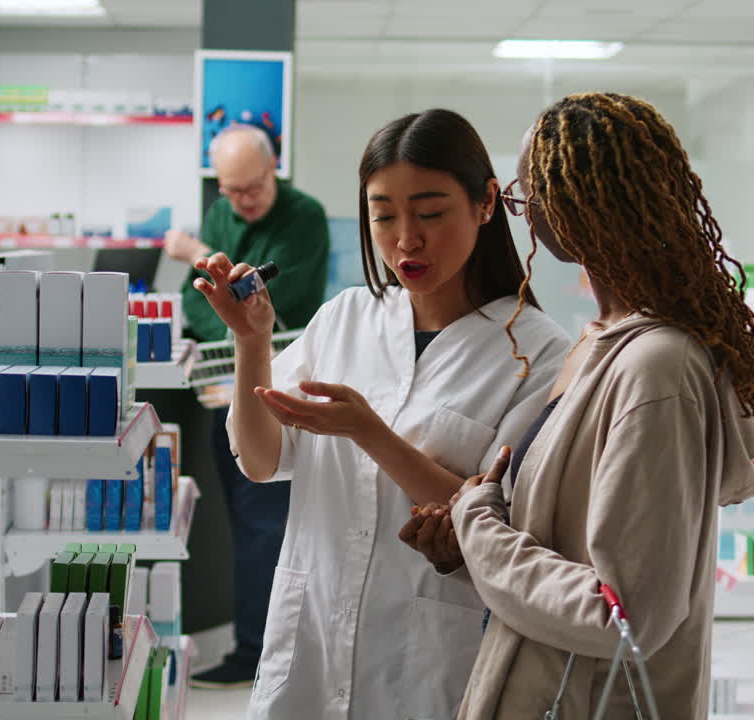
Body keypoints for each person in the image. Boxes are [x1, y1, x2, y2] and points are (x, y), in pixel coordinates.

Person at [400, 92, 754, 719]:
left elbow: (621, 614)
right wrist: (466, 553)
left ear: (581, 202)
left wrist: (479, 525)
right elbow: (559, 548)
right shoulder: (597, 343)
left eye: (528, 193)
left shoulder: (657, 370)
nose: (518, 212)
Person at [191, 109, 569, 718]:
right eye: (383, 215)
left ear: (486, 203)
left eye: (430, 212)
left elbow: (501, 524)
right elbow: (260, 463)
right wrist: (251, 342)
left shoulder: (539, 353)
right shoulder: (346, 317)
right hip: (309, 645)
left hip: (426, 663)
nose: (405, 239)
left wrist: (368, 432)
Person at [164, 124, 331, 688]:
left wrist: (195, 256)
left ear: (273, 167)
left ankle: (262, 653)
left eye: (253, 187)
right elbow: (209, 307)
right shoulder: (220, 213)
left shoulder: (303, 216)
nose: (243, 201)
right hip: (222, 387)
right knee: (245, 521)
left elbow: (272, 302)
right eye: (232, 192)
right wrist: (228, 305)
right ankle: (253, 648)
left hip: (281, 387)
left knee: (267, 523)